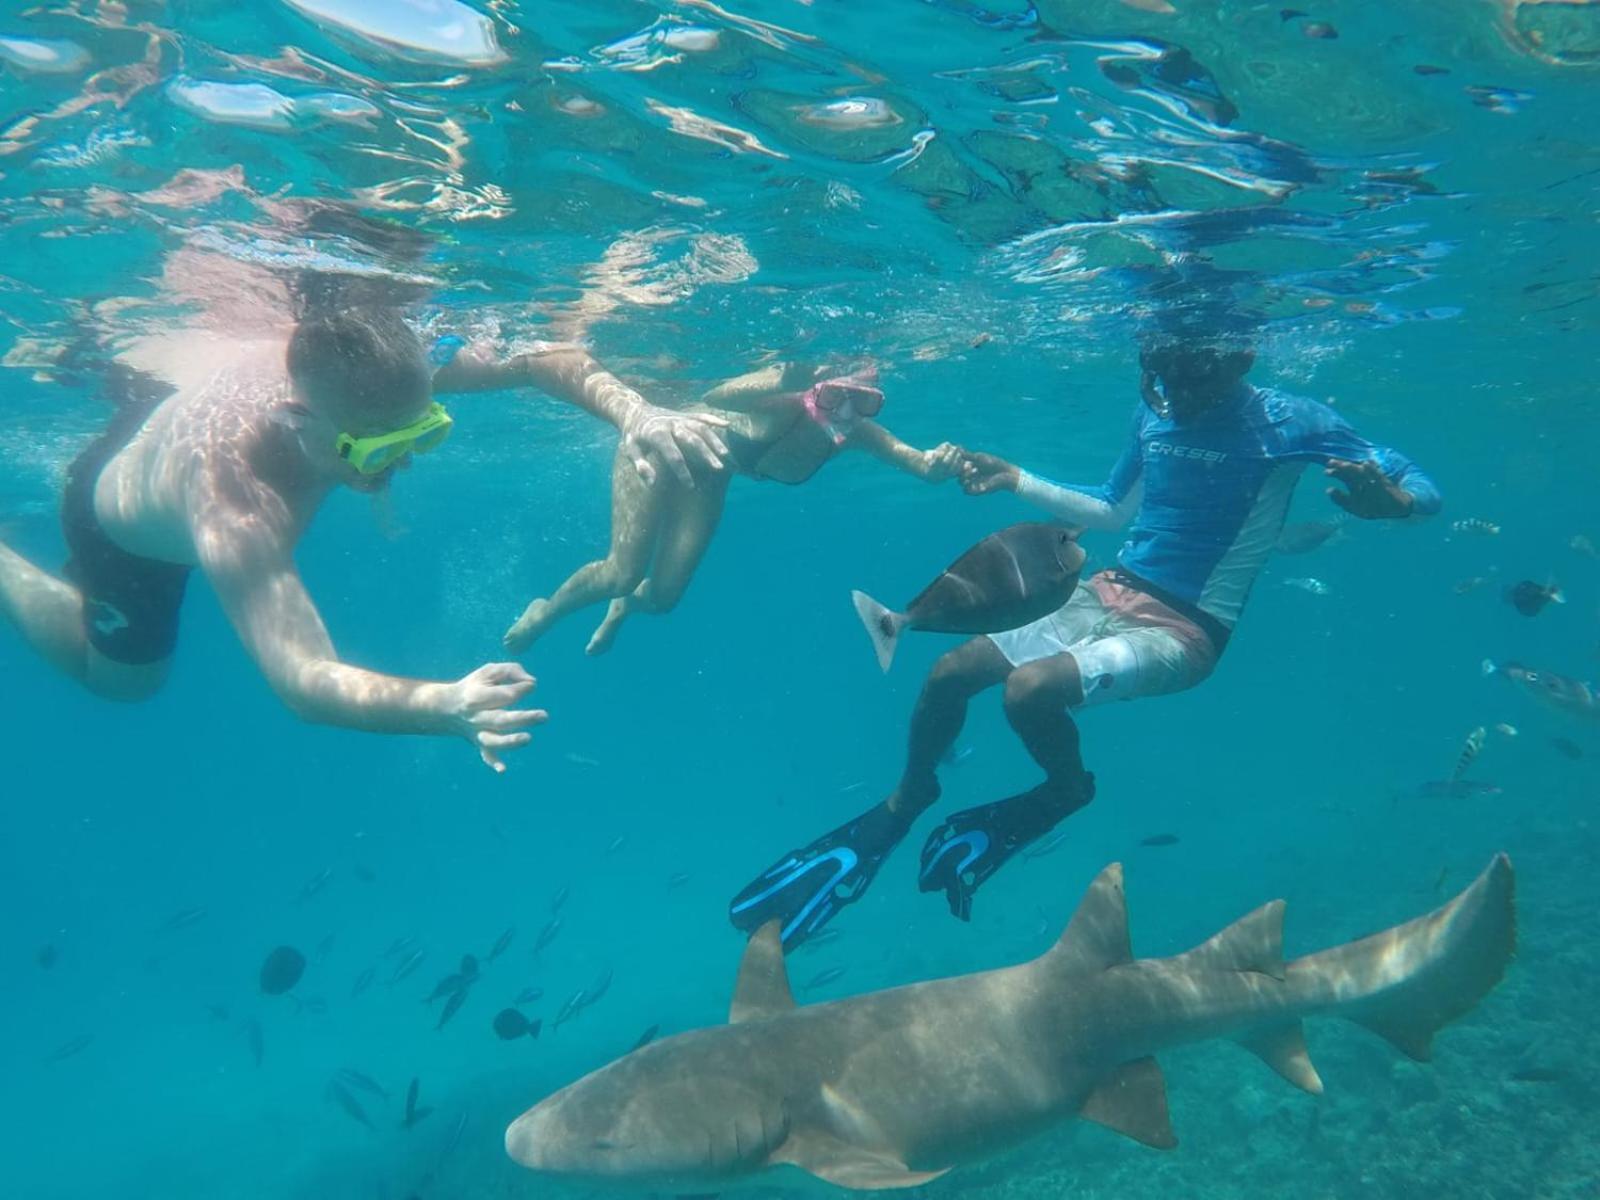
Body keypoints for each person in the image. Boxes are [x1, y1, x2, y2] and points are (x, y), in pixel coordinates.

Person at [730, 330, 1441, 946]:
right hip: (1104, 589)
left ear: (1242, 359)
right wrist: (1016, 478)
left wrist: (1398, 502)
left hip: (1186, 629)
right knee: (948, 671)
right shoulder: (1156, 408)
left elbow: (1420, 483)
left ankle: (1067, 790)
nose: (1181, 397)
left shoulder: (1289, 421)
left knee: (1028, 692)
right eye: (1166, 378)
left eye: (1197, 380)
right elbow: (1110, 509)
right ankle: (905, 801)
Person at [0, 309, 729, 772]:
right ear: (297, 420)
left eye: (425, 433)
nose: (404, 461)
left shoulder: (370, 376)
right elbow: (302, 680)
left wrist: (639, 413)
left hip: (172, 417)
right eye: (378, 453)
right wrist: (445, 705)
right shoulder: (236, 507)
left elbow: (544, 356)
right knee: (126, 685)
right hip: (121, 534)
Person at [504, 362, 964, 656]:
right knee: (621, 572)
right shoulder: (779, 402)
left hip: (709, 475)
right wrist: (786, 376)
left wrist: (940, 463)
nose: (843, 411)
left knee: (663, 599)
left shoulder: (856, 434)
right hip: (661, 446)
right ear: (815, 389)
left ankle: (623, 609)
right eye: (832, 395)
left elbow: (919, 465)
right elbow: (718, 397)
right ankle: (545, 612)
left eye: (862, 401)